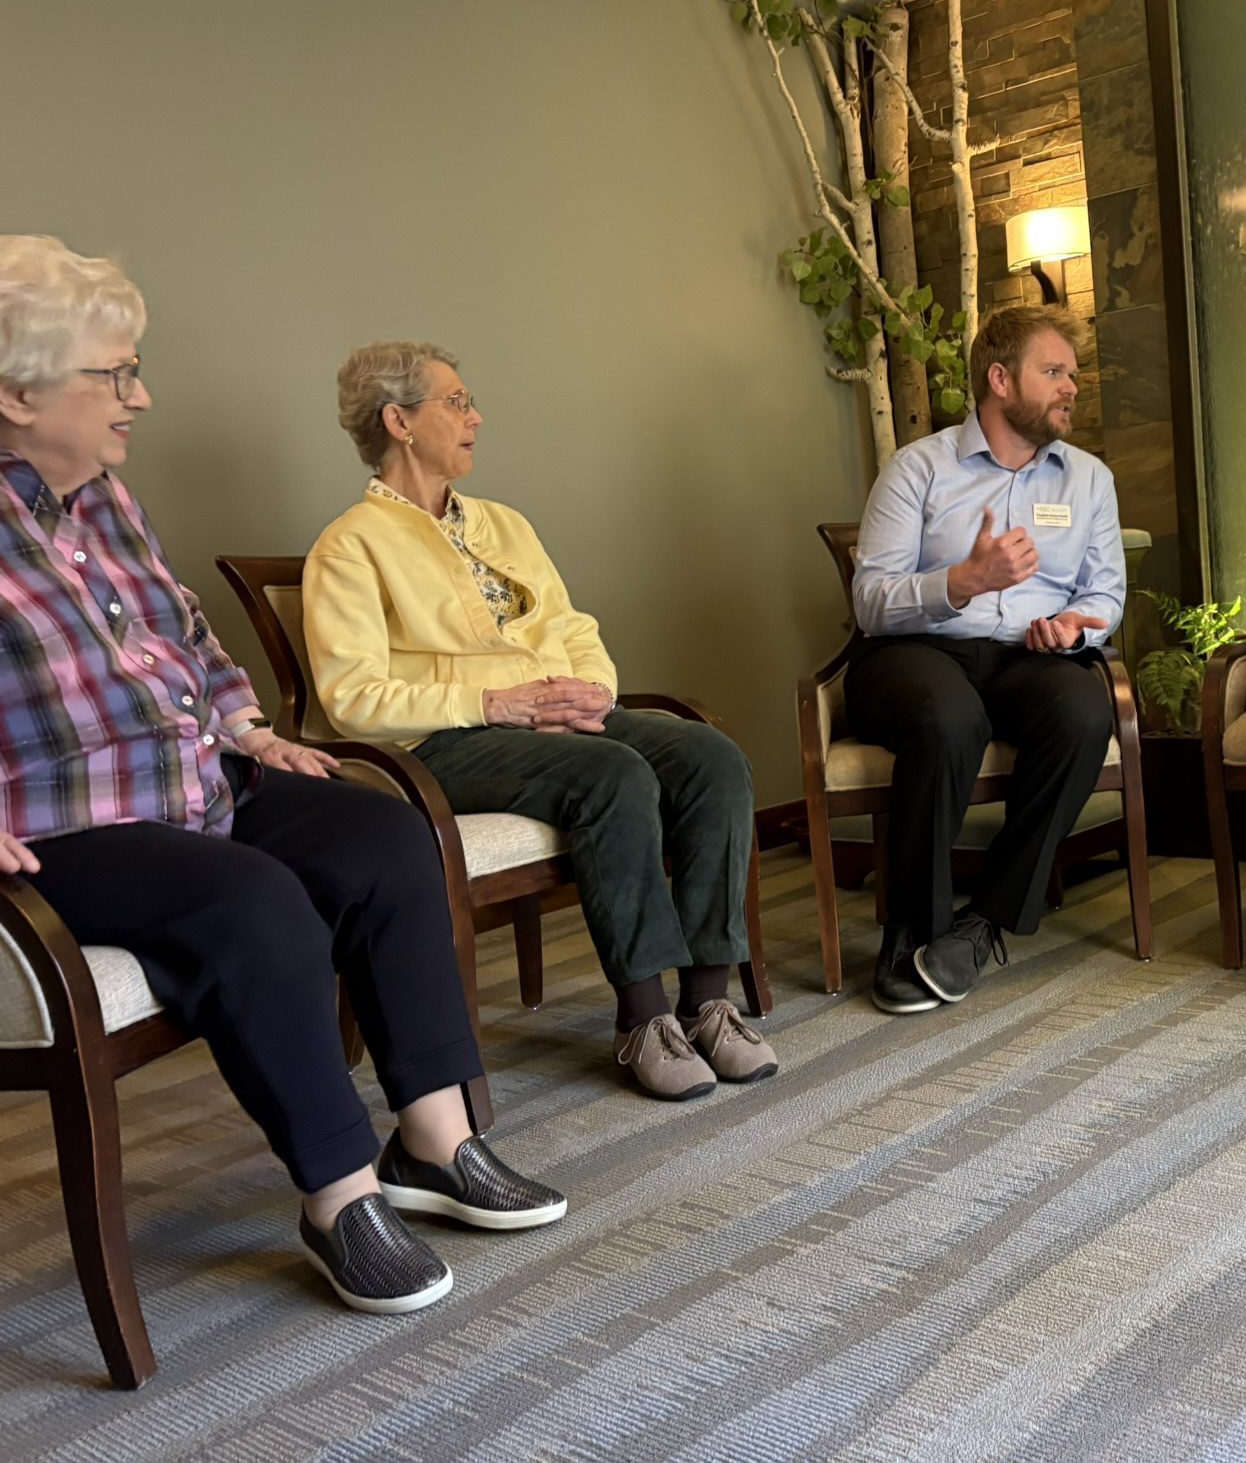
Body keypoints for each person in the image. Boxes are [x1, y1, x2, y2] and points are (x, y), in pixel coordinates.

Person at [0, 235, 565, 1317]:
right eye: (116, 374)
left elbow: (184, 635)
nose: (143, 395)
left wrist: (246, 728)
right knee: (258, 905)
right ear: (20, 389)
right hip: (68, 820)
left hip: (198, 778)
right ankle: (338, 1192)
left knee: (385, 833)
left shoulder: (105, 497)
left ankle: (436, 1139)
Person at [302, 341, 776, 1101]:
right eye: (455, 402)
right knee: (612, 774)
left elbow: (573, 625)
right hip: (441, 744)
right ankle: (643, 1017)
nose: (475, 416)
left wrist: (594, 690)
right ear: (397, 420)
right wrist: (495, 704)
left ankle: (707, 1002)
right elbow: (352, 698)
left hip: (546, 718)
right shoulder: (349, 546)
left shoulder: (504, 525)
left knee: (710, 756)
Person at [847, 305, 1125, 1015]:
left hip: (1028, 656)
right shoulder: (917, 470)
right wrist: (960, 582)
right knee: (948, 718)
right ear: (1000, 379)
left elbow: (1106, 591)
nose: (1072, 386)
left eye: (1073, 373)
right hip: (917, 650)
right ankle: (911, 928)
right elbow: (870, 600)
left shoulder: (1088, 479)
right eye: (1054, 371)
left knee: (1084, 708)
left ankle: (985, 922)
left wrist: (1074, 624)